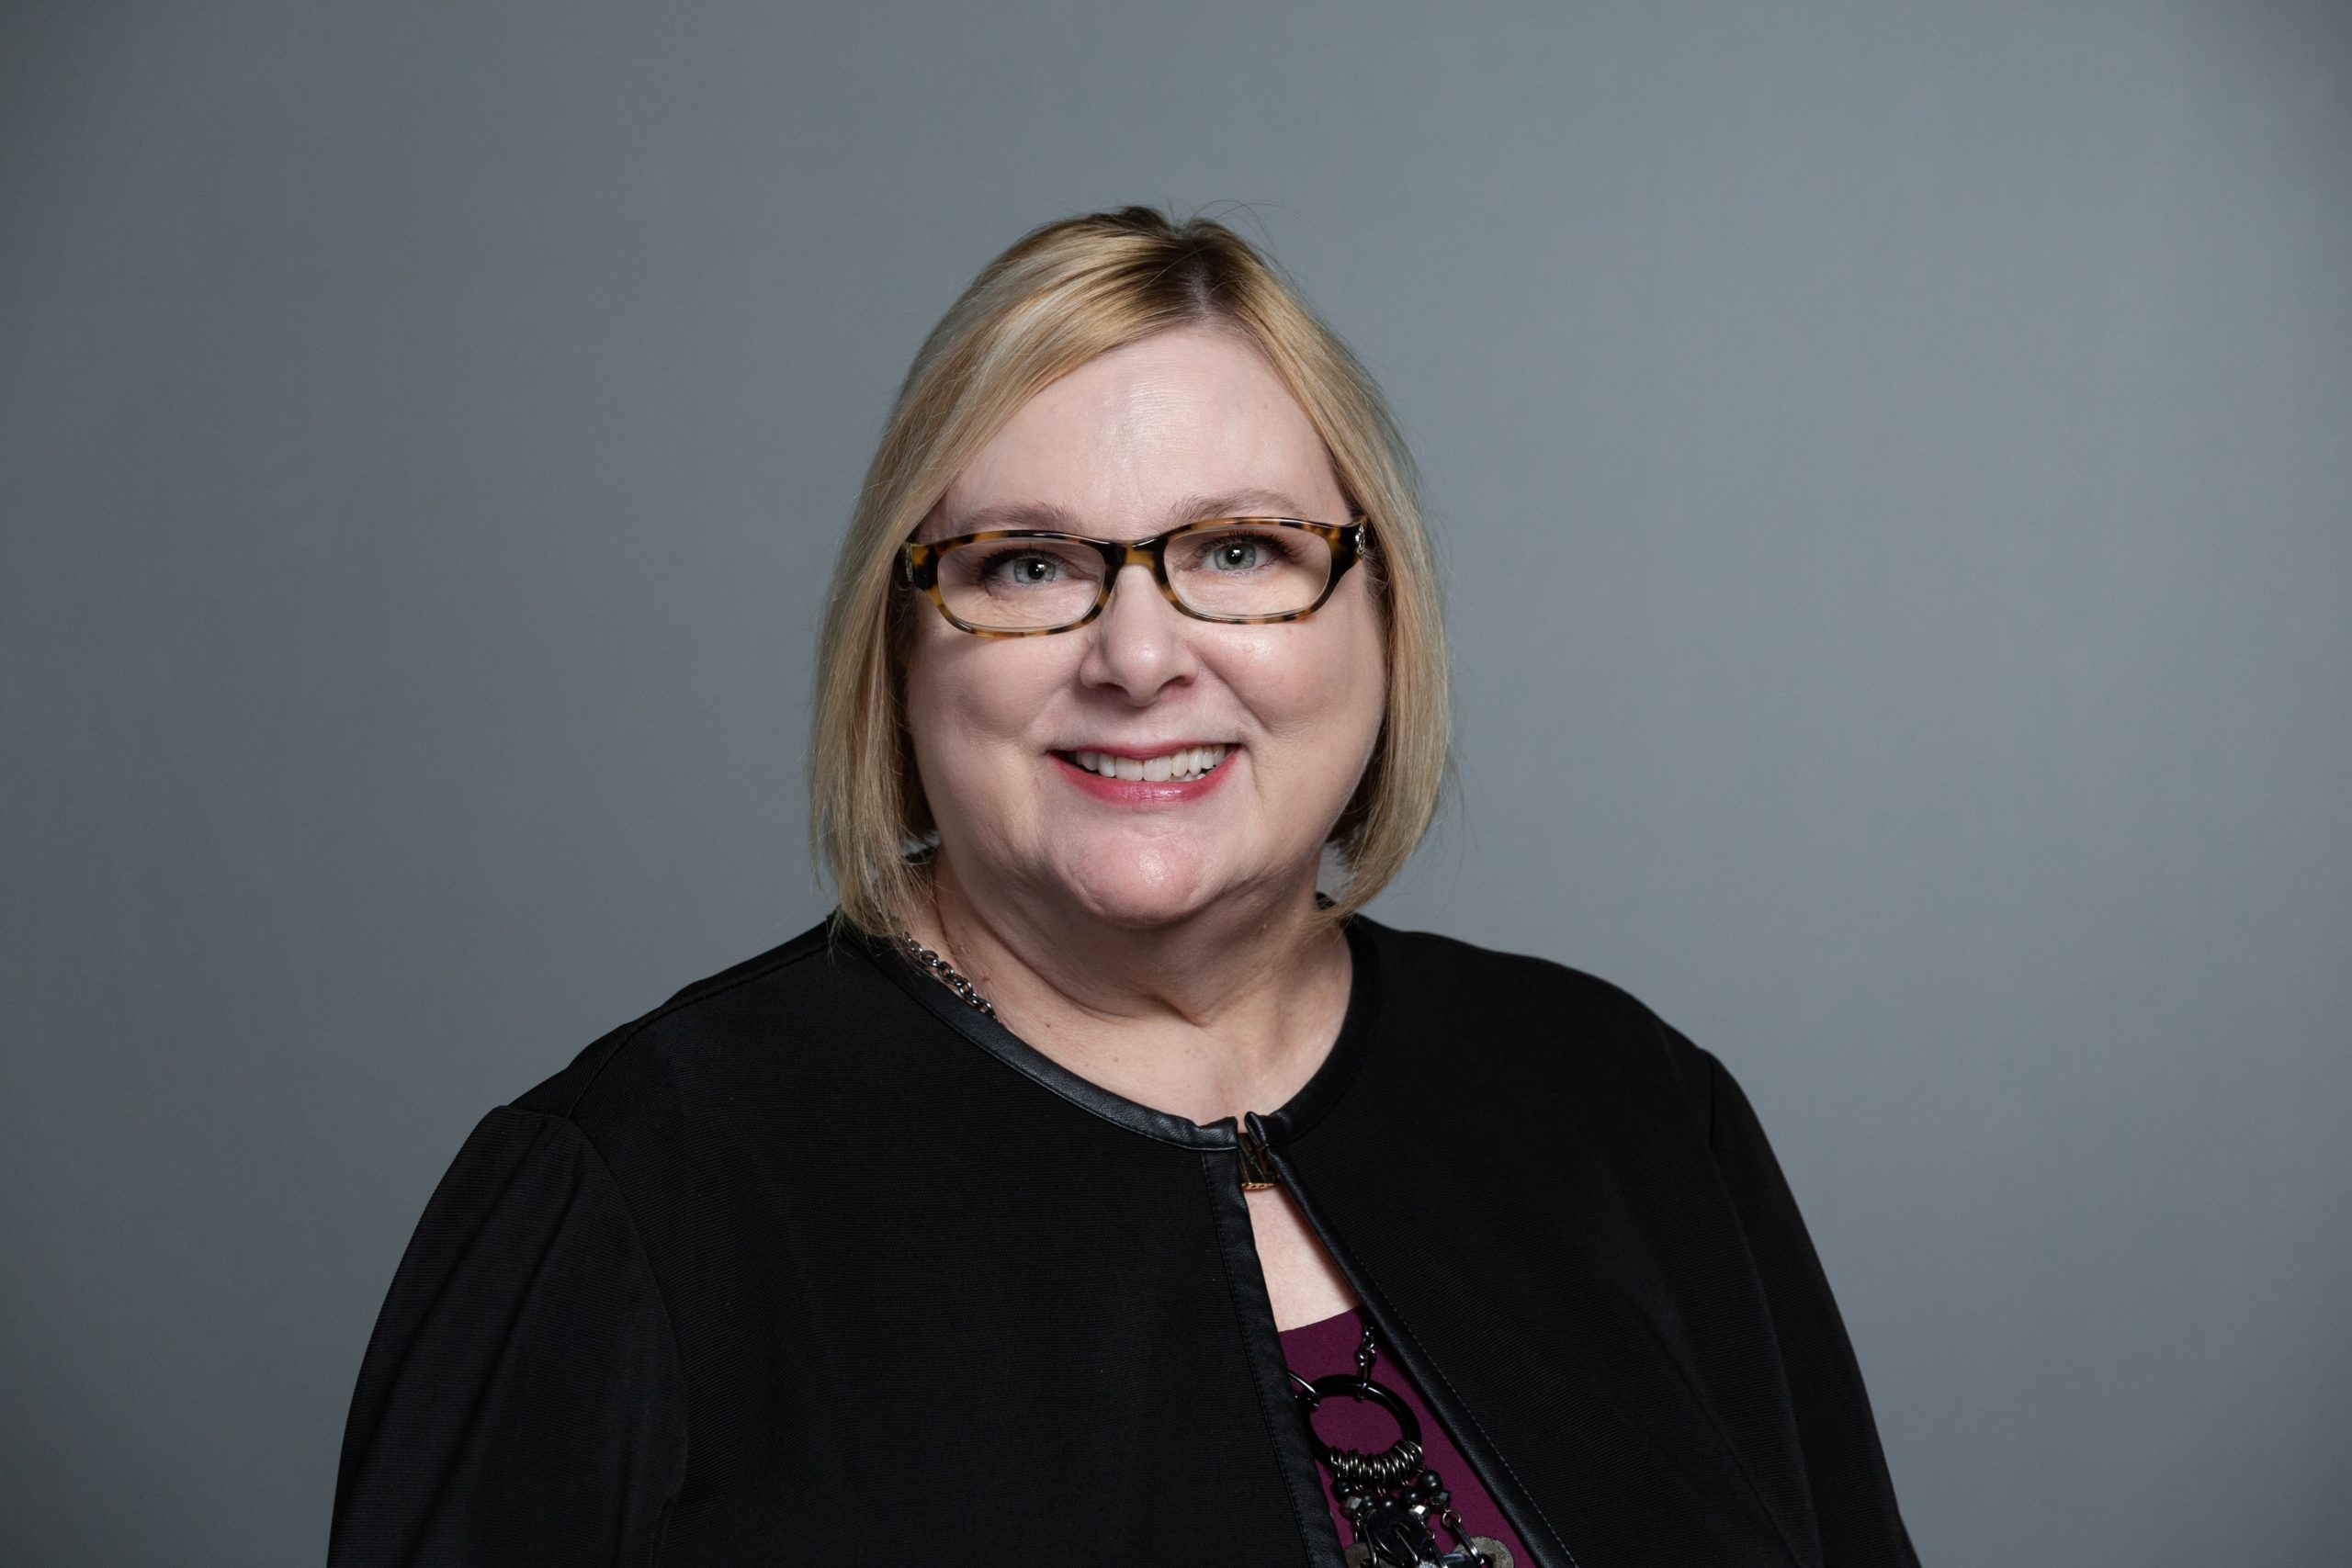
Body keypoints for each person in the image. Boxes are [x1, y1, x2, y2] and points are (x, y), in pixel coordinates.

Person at [329, 207, 1919, 1568]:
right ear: (903, 648)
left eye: (1236, 550)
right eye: (1027, 563)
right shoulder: (630, 1203)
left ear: (1378, 615)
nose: (1140, 656)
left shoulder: (1628, 1111)